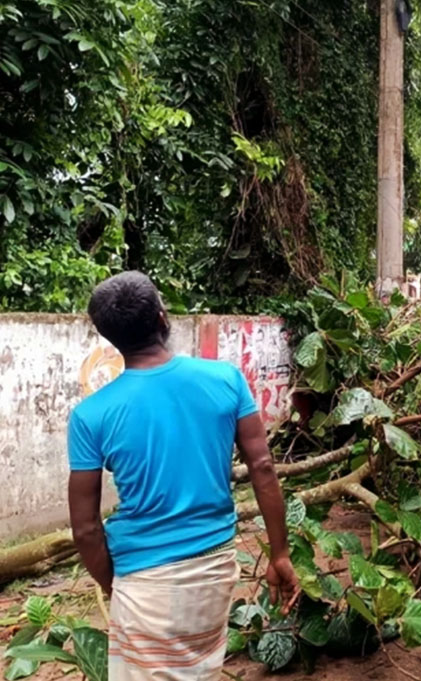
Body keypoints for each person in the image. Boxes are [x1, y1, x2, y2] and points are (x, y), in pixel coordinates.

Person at [67, 272, 297, 680]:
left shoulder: (91, 416)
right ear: (161, 318)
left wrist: (111, 584)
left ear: (110, 338)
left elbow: (85, 529)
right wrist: (279, 554)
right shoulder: (226, 380)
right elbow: (262, 467)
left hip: (145, 584)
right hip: (216, 568)